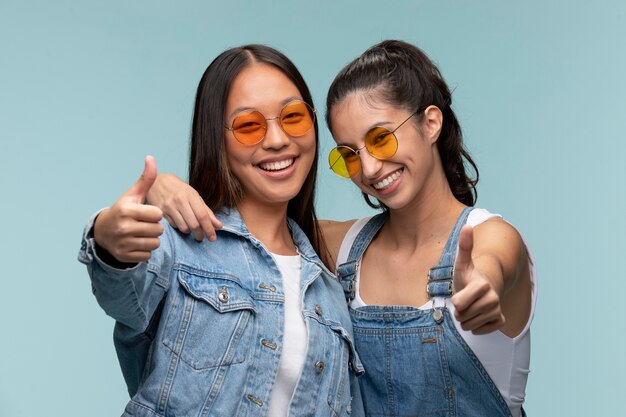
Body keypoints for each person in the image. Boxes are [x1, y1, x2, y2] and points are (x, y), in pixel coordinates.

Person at [149, 40, 536, 417]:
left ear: (431, 122)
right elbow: (248, 236)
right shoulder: (341, 248)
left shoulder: (491, 237)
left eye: (381, 139)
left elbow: (493, 262)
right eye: (349, 155)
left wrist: (484, 285)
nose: (368, 170)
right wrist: (162, 188)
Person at [77, 44, 364, 417]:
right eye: (249, 126)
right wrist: (107, 238)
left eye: (293, 117)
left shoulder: (329, 289)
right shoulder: (179, 243)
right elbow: (121, 291)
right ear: (217, 139)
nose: (277, 139)